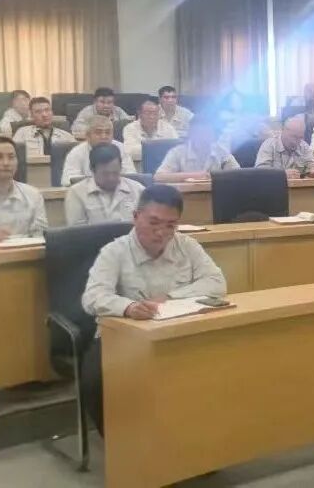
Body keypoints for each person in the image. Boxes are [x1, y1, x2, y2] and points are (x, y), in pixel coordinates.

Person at [80, 184, 227, 434]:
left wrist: (169, 298)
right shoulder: (114, 251)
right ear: (136, 216)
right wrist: (128, 307)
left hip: (176, 333)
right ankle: (121, 443)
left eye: (171, 225)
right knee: (96, 381)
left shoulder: (187, 246)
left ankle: (194, 439)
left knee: (213, 368)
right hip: (121, 339)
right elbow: (92, 296)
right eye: (153, 222)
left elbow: (217, 283)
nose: (161, 232)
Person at [64, 143, 144, 226]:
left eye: (115, 172)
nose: (111, 178)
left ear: (121, 168)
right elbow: (77, 231)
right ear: (92, 169)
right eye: (105, 174)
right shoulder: (77, 193)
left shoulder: (138, 189)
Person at [154, 114, 239, 182]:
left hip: (215, 194)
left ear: (213, 135)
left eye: (206, 133)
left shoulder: (221, 152)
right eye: (198, 133)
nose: (203, 138)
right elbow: (159, 177)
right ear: (191, 134)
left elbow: (239, 175)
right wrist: (197, 175)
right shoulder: (177, 152)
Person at [62, 115, 136, 186]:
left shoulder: (121, 149)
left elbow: (131, 177)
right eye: (98, 132)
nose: (104, 136)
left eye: (107, 132)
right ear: (88, 136)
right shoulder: (76, 153)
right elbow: (67, 180)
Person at [255, 114, 314, 179]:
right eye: (293, 137)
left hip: (297, 187)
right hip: (274, 187)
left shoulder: (303, 146)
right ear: (283, 131)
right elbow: (260, 173)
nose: (295, 141)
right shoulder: (269, 145)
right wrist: (282, 175)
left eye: (300, 137)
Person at [12, 96, 76, 156]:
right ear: (31, 115)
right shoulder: (22, 133)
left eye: (47, 110)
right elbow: (13, 154)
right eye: (38, 112)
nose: (44, 115)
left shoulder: (66, 136)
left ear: (52, 112)